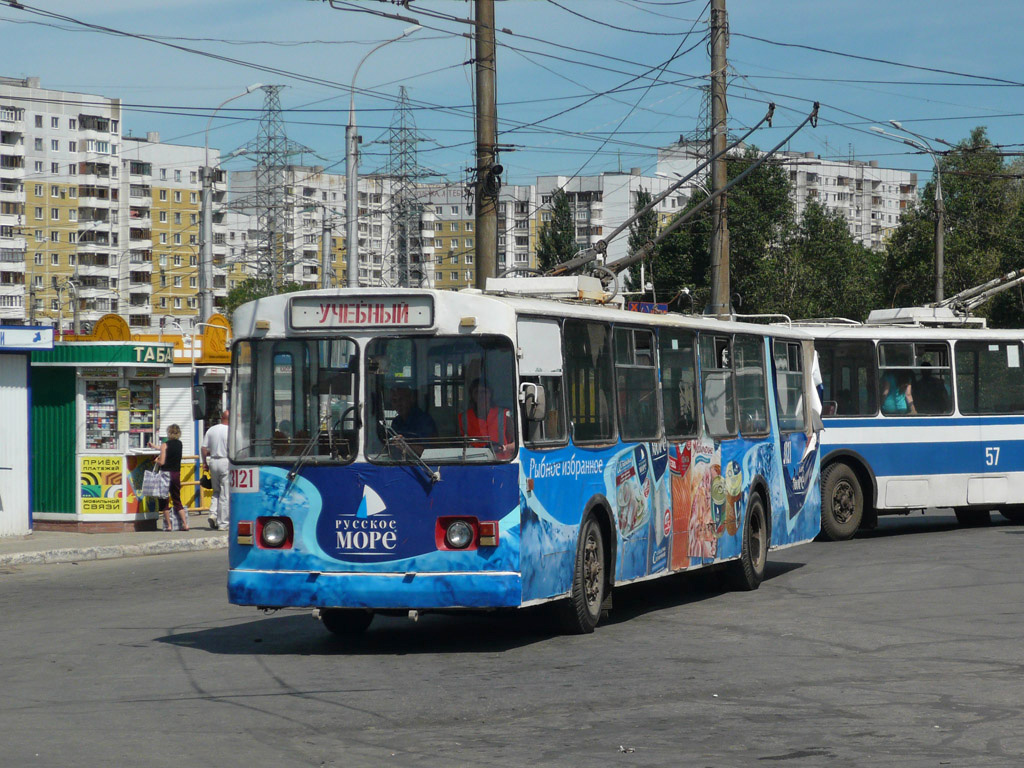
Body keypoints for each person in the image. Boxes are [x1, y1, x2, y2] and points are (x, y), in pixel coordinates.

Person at [458, 379, 514, 458]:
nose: (481, 396)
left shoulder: (504, 414)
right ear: (472, 396)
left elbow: (517, 443)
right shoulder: (463, 418)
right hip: (473, 463)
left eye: (484, 392)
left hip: (502, 463)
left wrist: (505, 448)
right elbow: (457, 445)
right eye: (476, 392)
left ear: (490, 394)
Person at [151, 424, 187, 531]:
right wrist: (155, 446)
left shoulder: (165, 444)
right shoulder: (180, 444)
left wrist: (156, 460)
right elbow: (166, 449)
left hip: (165, 474)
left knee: (164, 500)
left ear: (169, 433)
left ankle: (169, 526)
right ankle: (185, 524)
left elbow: (162, 462)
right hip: (176, 474)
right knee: (177, 499)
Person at [202, 409, 231, 530]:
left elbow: (204, 448)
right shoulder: (231, 431)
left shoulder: (212, 429)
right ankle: (223, 523)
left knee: (216, 490)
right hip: (226, 461)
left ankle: (213, 514)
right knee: (225, 493)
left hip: (213, 461)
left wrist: (205, 463)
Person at [389, 386, 437, 454]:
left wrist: (406, 446)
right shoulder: (396, 422)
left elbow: (429, 452)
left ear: (411, 399)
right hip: (397, 462)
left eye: (401, 400)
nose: (398, 404)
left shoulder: (424, 421)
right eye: (394, 401)